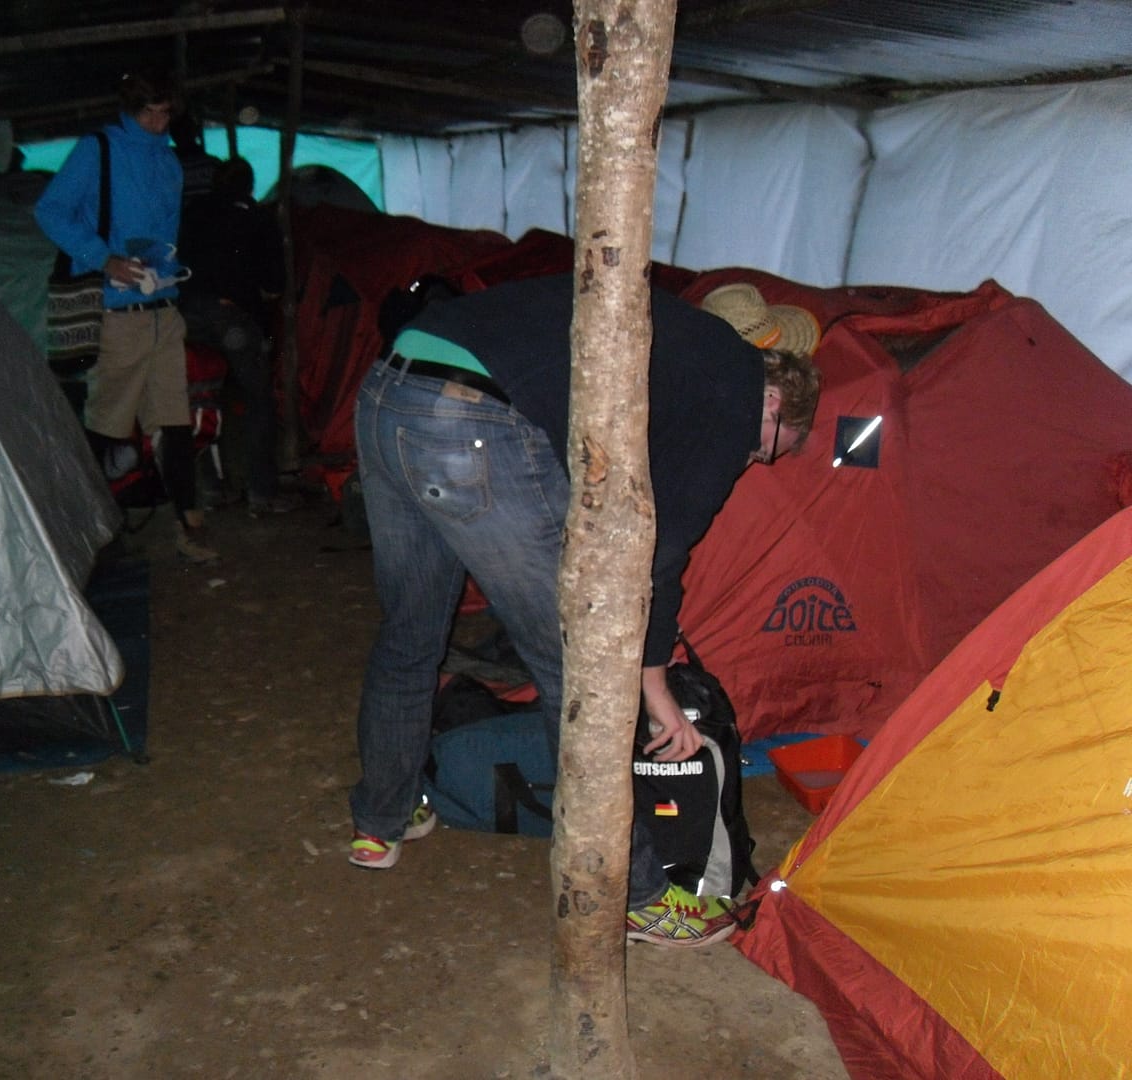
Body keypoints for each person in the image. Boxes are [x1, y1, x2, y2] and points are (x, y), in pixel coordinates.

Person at [346, 272, 821, 950]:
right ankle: (637, 897)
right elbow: (663, 551)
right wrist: (653, 682)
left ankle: (379, 820)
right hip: (468, 418)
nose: (754, 460)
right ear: (775, 403)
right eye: (769, 449)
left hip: (388, 388)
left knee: (409, 634)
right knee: (583, 670)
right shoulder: (734, 392)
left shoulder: (677, 346)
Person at [34, 70, 216, 563]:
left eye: (165, 114)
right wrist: (103, 258)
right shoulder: (98, 149)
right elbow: (50, 211)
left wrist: (167, 271)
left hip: (162, 309)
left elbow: (165, 231)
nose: (157, 123)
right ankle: (83, 530)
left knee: (175, 422)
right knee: (108, 426)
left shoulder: (170, 162)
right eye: (148, 113)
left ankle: (189, 523)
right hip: (117, 316)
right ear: (129, 109)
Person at [178, 156, 297, 515]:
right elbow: (274, 284)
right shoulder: (258, 218)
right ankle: (261, 491)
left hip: (186, 313)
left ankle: (211, 489)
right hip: (231, 319)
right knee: (258, 399)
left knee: (199, 397)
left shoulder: (192, 212)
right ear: (250, 185)